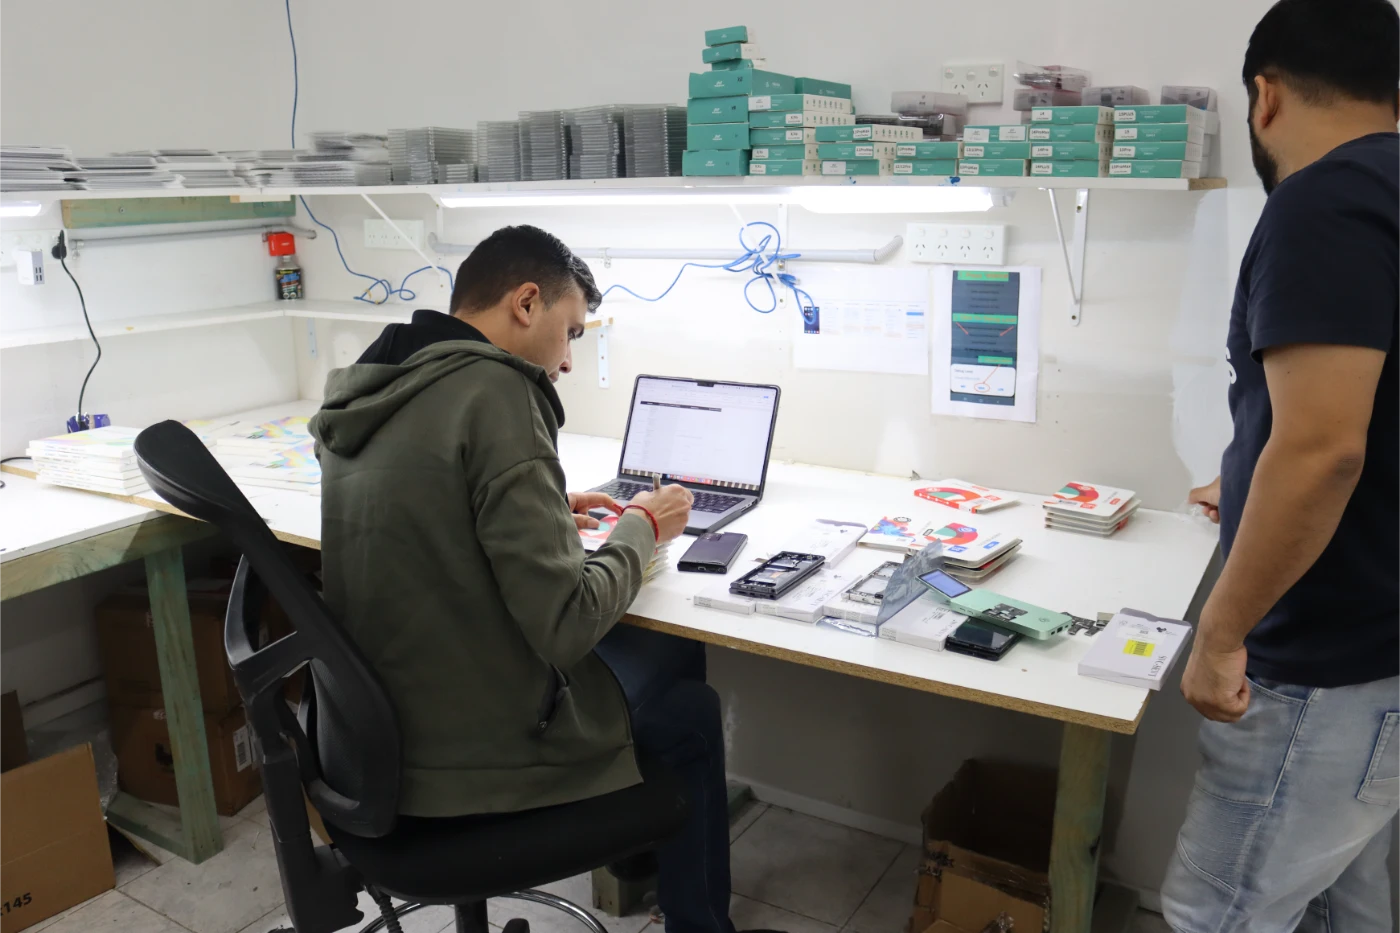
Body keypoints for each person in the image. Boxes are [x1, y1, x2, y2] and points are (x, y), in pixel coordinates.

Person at [309, 225, 753, 933]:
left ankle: (635, 852)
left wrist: (541, 505)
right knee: (687, 696)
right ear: (524, 303)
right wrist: (643, 525)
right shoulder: (498, 391)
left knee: (658, 663)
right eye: (570, 331)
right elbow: (566, 623)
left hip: (371, 743)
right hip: (466, 756)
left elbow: (422, 508)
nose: (569, 359)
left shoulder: (377, 384)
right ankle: (681, 904)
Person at [1164, 1, 1400, 930]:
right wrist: (1249, 477)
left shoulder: (1323, 200)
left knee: (1213, 913)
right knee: (1346, 902)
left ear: (1264, 98)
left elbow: (1323, 449)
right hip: (1380, 656)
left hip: (1320, 667)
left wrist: (1221, 633)